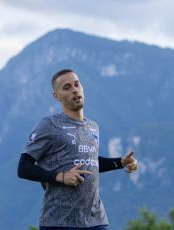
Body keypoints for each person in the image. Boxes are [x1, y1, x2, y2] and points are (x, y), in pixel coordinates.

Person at [17, 69, 138, 230]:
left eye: (77, 84)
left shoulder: (93, 126)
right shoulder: (49, 125)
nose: (74, 89)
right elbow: (23, 168)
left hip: (96, 220)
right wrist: (61, 176)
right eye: (67, 87)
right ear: (57, 96)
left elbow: (89, 162)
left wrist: (121, 162)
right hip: (59, 222)